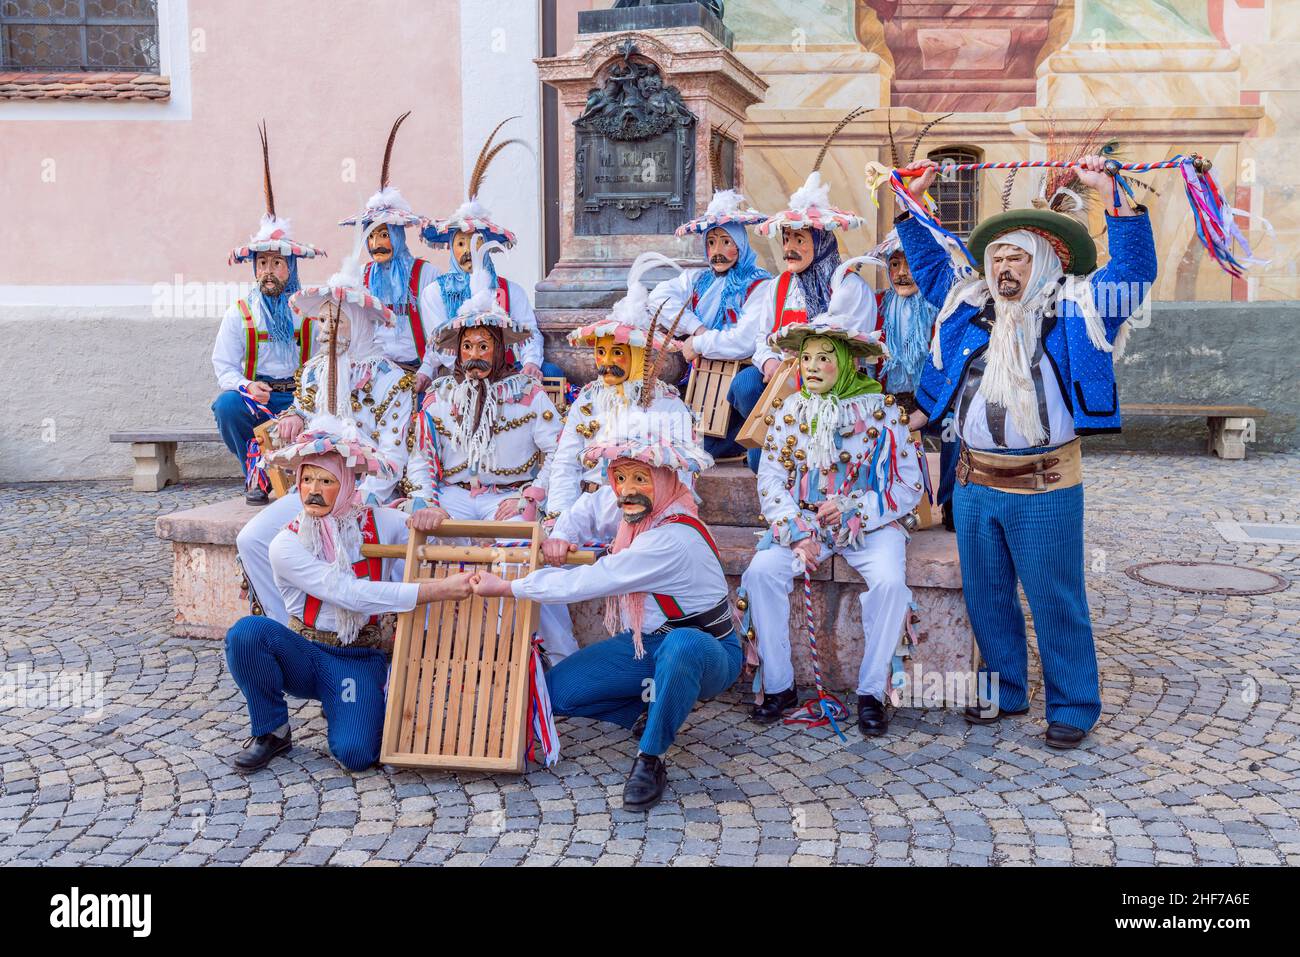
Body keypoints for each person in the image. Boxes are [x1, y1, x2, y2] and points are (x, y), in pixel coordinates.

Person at [899, 154, 1157, 749]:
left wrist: (1110, 194)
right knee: (986, 597)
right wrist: (914, 203)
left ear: (1043, 261)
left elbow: (1137, 269)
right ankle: (1004, 689)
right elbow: (930, 263)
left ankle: (1072, 703)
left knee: (1055, 597)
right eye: (996, 256)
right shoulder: (965, 306)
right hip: (972, 483)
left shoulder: (1082, 307)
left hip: (1044, 485)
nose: (1004, 266)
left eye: (1017, 255)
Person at [471, 405, 735, 812]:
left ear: (666, 478)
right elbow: (585, 512)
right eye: (620, 477)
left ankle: (651, 758)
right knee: (560, 693)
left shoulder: (671, 537)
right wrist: (560, 537)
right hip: (648, 642)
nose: (627, 489)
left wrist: (507, 586)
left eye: (640, 478)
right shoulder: (628, 506)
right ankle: (650, 708)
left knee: (683, 646)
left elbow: (588, 582)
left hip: (709, 650)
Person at [224, 418, 475, 773]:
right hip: (304, 652)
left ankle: (353, 703)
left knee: (356, 755)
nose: (313, 489)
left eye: (326, 481)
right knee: (247, 634)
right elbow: (348, 593)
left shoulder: (379, 521)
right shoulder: (287, 541)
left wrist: (434, 517)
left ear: (347, 485)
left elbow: (436, 541)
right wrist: (433, 592)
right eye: (307, 479)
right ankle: (271, 729)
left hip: (355, 656)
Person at [741, 258, 923, 736]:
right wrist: (797, 531)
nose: (814, 366)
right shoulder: (789, 411)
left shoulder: (881, 412)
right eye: (807, 358)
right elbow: (771, 477)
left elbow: (909, 484)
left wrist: (858, 508)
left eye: (825, 357)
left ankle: (870, 692)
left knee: (888, 584)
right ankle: (778, 686)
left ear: (845, 361)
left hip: (871, 527)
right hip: (807, 527)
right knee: (762, 572)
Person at [404, 240, 574, 660]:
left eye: (484, 347)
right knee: (413, 538)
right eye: (468, 347)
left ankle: (553, 656)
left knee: (530, 554)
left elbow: (560, 453)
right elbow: (421, 457)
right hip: (455, 497)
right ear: (457, 351)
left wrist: (530, 494)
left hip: (509, 498)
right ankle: (427, 647)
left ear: (501, 350)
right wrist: (426, 499)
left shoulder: (530, 393)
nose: (475, 356)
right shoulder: (440, 395)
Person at [235, 225, 412, 624]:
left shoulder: (389, 378)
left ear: (361, 323)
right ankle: (288, 629)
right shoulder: (314, 372)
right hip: (314, 489)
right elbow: (304, 410)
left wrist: (360, 498)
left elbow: (394, 454)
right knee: (252, 539)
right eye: (325, 321)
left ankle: (361, 634)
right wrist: (295, 416)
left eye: (340, 321)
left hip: (366, 495)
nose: (330, 330)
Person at [532, 251, 698, 522]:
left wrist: (659, 522)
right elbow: (565, 464)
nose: (606, 362)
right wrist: (560, 517)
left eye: (617, 353)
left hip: (648, 513)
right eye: (600, 352)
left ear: (638, 356)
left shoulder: (668, 404)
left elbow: (684, 472)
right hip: (590, 511)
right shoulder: (586, 402)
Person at [212, 123, 324, 504]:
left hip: (304, 397)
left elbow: (329, 360)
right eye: (262, 264)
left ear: (290, 268)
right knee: (226, 405)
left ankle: (315, 480)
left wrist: (306, 399)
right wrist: (247, 386)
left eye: (277, 264)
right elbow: (223, 366)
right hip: (261, 398)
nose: (269, 272)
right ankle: (255, 475)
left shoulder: (310, 310)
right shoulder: (240, 312)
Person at [418, 118, 559, 384]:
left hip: (506, 374)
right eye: (461, 244)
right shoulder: (434, 292)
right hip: (458, 376)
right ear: (451, 248)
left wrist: (530, 363)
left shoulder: (510, 291)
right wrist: (476, 366)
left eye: (476, 243)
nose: (469, 251)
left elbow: (529, 331)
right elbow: (439, 343)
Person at [649, 184, 771, 464]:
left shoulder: (759, 284)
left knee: (699, 450)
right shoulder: (698, 280)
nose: (717, 251)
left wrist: (700, 344)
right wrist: (696, 328)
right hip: (701, 380)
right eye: (712, 243)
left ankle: (743, 436)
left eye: (726, 242)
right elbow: (657, 299)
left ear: (740, 244)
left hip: (738, 378)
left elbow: (743, 341)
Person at [338, 112, 440, 392]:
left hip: (420, 371)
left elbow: (438, 332)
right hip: (375, 373)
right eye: (371, 237)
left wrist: (427, 370)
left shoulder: (427, 274)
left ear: (397, 234)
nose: (376, 244)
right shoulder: (363, 276)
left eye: (383, 235)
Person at [870, 230, 959, 529]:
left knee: (955, 430)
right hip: (890, 399)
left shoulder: (944, 308)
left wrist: (926, 409)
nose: (902, 273)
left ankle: (952, 503)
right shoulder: (877, 306)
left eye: (910, 264)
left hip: (935, 402)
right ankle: (879, 504)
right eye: (894, 265)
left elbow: (952, 366)